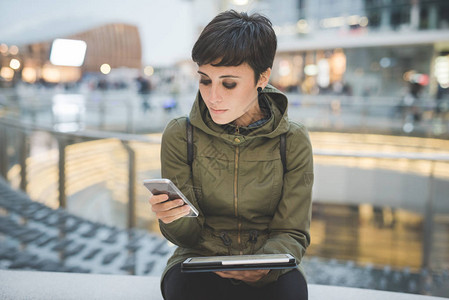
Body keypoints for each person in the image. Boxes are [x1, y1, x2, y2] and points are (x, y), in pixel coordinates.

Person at [148, 10, 313, 300]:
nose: (212, 97)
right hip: (200, 259)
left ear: (262, 77)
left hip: (270, 264)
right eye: (205, 80)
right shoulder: (179, 135)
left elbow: (292, 231)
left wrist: (264, 265)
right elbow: (187, 237)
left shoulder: (293, 140)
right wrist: (172, 218)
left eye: (229, 83)